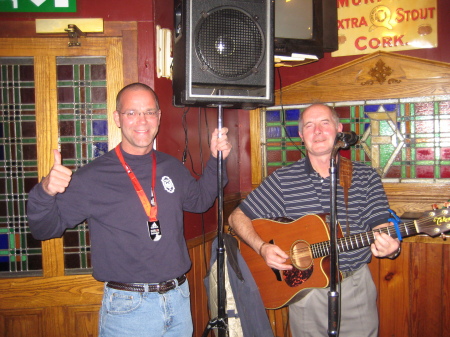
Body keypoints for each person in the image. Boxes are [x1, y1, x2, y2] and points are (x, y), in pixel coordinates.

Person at [27, 82, 232, 337]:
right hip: (128, 307)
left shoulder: (171, 166)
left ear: (158, 117)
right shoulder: (92, 177)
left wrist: (216, 161)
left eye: (148, 112)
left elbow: (200, 201)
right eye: (131, 113)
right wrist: (45, 191)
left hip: (179, 299)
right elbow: (43, 229)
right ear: (117, 118)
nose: (141, 120)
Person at [228, 103, 400, 337]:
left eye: (324, 123)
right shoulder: (283, 179)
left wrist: (390, 247)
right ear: (301, 135)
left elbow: (380, 224)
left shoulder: (365, 177)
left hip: (354, 286)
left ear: (339, 129)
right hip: (305, 292)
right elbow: (237, 217)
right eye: (309, 125)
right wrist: (262, 248)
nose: (317, 131)